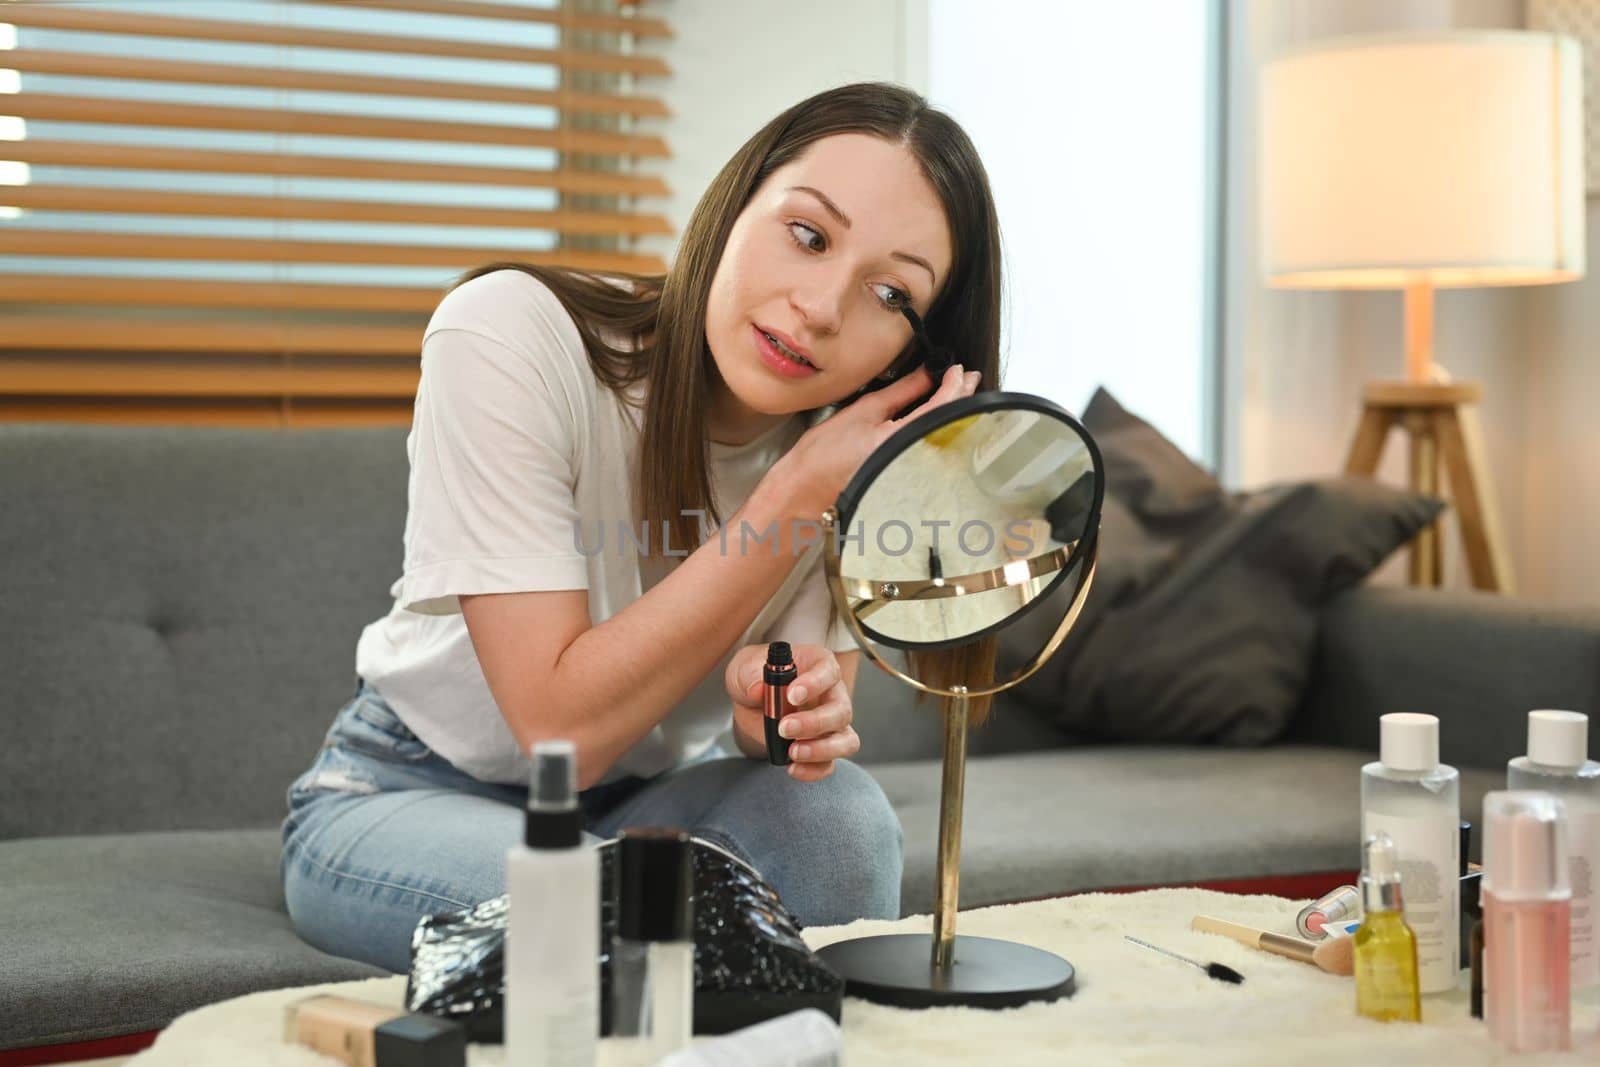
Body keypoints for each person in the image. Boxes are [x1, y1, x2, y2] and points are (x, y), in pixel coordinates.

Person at [280, 81, 1002, 973]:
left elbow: (774, 746)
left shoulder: (848, 454)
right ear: (735, 205)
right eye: (807, 235)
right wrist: (791, 500)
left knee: (842, 825)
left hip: (640, 804)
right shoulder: (510, 334)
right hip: (406, 789)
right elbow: (558, 732)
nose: (820, 308)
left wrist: (774, 712)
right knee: (594, 905)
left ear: (915, 351)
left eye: (891, 293)